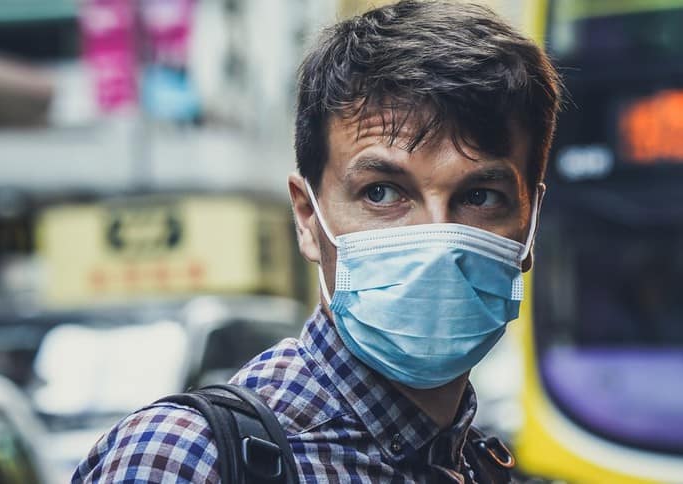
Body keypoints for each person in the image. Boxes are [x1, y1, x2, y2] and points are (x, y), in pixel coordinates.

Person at [73, 0, 561, 482]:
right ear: (307, 216)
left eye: (480, 197)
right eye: (381, 192)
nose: (438, 242)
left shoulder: (479, 467)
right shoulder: (185, 458)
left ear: (531, 222)